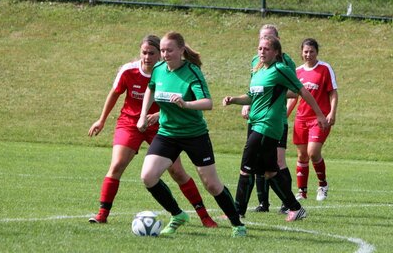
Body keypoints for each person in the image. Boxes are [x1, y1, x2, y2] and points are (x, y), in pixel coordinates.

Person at [88, 35, 217, 228]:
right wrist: (102, 120)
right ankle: (102, 214)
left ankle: (204, 216)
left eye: (152, 53)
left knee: (177, 171)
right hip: (130, 122)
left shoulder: (167, 72)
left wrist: (157, 115)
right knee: (117, 165)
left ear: (160, 55)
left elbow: (177, 102)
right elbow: (114, 94)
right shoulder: (128, 70)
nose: (147, 57)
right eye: (144, 52)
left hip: (161, 125)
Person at [136, 31, 246, 237]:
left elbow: (208, 103)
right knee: (148, 176)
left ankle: (237, 224)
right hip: (167, 133)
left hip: (195, 135)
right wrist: (144, 115)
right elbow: (151, 89)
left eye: (169, 50)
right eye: (162, 50)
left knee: (212, 185)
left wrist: (186, 104)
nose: (165, 54)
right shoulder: (158, 69)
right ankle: (177, 214)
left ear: (181, 50)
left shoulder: (192, 72)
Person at [223, 35, 328, 222]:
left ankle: (237, 212)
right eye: (260, 48)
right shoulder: (258, 71)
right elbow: (251, 96)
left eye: (266, 49)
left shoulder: (281, 69)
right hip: (257, 123)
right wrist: (234, 100)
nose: (262, 51)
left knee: (245, 167)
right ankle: (296, 209)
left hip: (268, 125)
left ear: (276, 52)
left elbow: (301, 91)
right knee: (269, 171)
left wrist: (320, 114)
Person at [240, 24, 297, 215]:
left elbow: (294, 90)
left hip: (275, 119)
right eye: (262, 39)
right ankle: (263, 203)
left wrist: (276, 95)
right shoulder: (256, 61)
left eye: (270, 39)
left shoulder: (285, 63)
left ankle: (287, 205)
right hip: (256, 118)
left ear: (277, 43)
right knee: (260, 164)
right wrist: (246, 103)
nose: (264, 43)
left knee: (277, 162)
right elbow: (254, 89)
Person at [288, 38, 338, 201]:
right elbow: (294, 96)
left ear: (317, 52)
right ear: (301, 53)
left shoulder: (324, 68)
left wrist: (332, 113)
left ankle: (322, 185)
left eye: (312, 51)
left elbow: (333, 93)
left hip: (320, 118)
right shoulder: (297, 71)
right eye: (306, 51)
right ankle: (302, 191)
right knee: (302, 155)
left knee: (313, 152)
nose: (308, 54)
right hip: (301, 119)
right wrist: (286, 113)